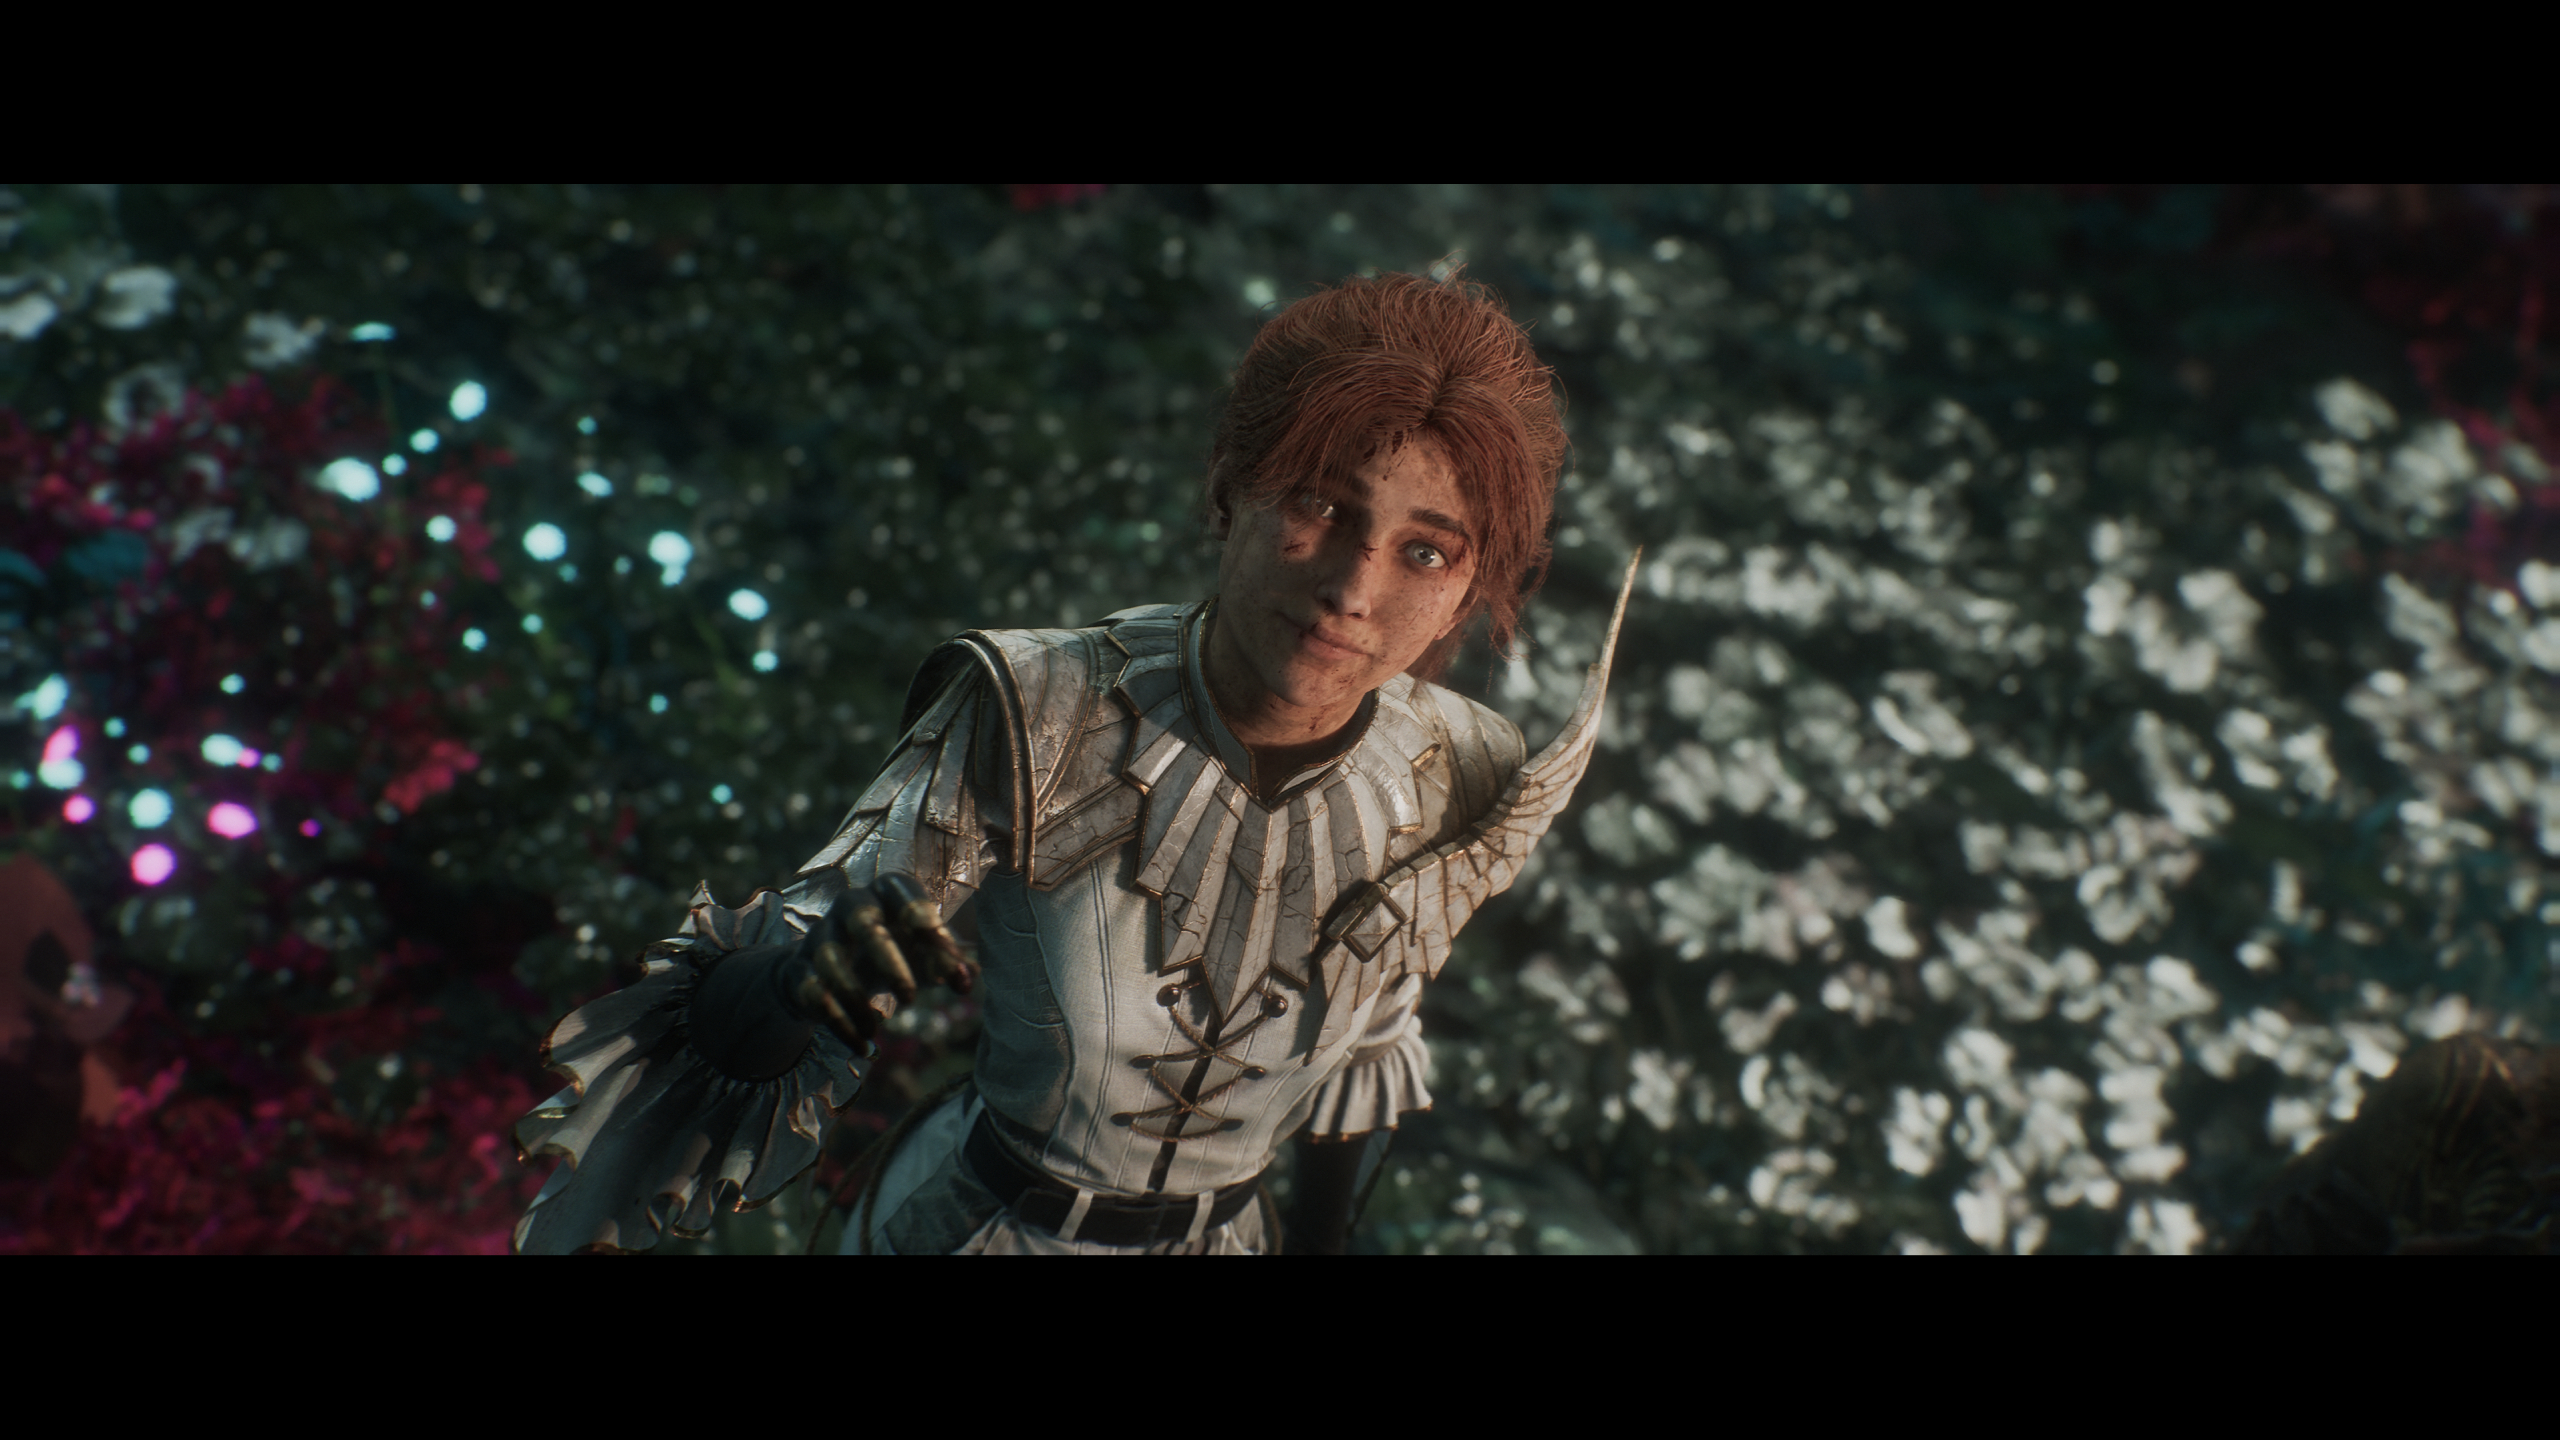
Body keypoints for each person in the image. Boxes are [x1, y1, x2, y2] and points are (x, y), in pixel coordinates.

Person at [511, 266, 1633, 1254]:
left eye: (1424, 551)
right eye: (1319, 505)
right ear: (1230, 488)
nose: (1352, 588)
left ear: (1469, 586)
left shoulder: (1459, 768)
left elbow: (1372, 1042)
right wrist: (800, 981)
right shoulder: (1038, 707)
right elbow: (738, 1006)